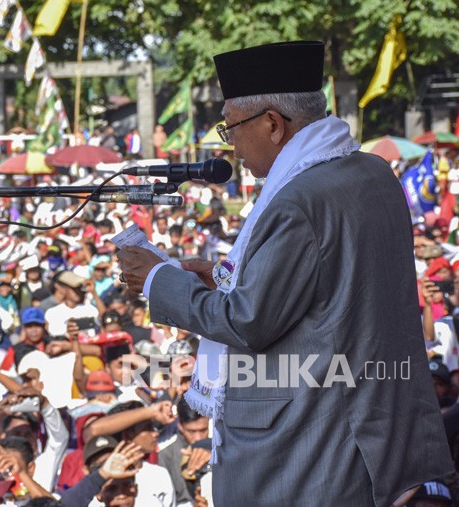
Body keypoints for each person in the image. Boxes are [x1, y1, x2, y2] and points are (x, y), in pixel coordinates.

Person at [117, 40, 455, 505]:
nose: (229, 143)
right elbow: (328, 288)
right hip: (380, 424)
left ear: (273, 124)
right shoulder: (371, 174)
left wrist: (158, 280)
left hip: (316, 446)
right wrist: (220, 277)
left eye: (230, 126)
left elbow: (247, 321)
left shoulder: (299, 199)